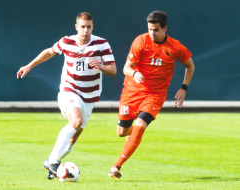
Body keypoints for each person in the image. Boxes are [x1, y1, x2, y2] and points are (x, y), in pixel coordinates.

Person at [17, 12, 116, 179]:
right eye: (82, 27)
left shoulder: (101, 44)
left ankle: (52, 163)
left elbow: (113, 70)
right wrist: (30, 65)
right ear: (76, 27)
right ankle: (54, 160)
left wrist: (100, 66)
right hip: (69, 90)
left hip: (90, 96)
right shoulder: (67, 41)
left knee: (74, 137)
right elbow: (50, 52)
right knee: (76, 121)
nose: (85, 30)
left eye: (89, 27)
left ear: (93, 27)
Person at [108, 10, 195, 179]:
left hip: (155, 95)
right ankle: (131, 137)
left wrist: (184, 88)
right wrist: (134, 74)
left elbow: (190, 66)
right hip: (132, 92)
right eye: (149, 29)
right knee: (122, 132)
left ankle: (116, 166)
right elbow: (127, 67)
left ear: (165, 29)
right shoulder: (140, 42)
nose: (152, 33)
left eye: (156, 29)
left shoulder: (175, 47)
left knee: (140, 127)